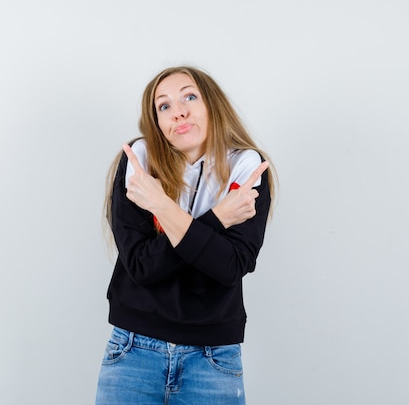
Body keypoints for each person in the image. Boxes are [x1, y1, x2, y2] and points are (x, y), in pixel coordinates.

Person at [95, 66, 276, 405]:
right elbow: (142, 266)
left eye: (189, 97)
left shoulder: (247, 168)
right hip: (133, 350)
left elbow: (229, 266)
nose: (177, 111)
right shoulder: (140, 161)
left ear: (213, 106)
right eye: (163, 106)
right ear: (158, 122)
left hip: (213, 358)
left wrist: (161, 206)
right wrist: (219, 217)